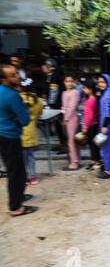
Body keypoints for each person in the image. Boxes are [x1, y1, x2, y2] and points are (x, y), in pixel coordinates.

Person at [0, 64, 38, 217]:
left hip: (4, 135)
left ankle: (19, 196)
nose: (17, 76)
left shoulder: (3, 91)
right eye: (12, 75)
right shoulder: (12, 95)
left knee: (17, 170)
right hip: (9, 136)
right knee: (16, 172)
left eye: (16, 73)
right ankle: (15, 207)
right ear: (4, 79)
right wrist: (22, 114)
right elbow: (25, 120)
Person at [19, 80, 44, 185]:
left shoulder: (18, 98)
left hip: (21, 131)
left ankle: (24, 177)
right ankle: (33, 177)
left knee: (22, 158)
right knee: (31, 156)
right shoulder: (38, 100)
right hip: (32, 130)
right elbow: (40, 113)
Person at [42, 58, 66, 152]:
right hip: (58, 103)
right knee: (57, 124)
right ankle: (61, 143)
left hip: (57, 104)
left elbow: (54, 91)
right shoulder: (52, 75)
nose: (45, 67)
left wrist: (51, 103)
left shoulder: (54, 75)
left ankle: (64, 144)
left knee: (59, 124)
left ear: (52, 67)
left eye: (47, 66)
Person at [61, 75, 81, 171]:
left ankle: (75, 161)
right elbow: (64, 107)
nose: (69, 83)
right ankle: (75, 159)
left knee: (72, 140)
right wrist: (64, 116)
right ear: (64, 82)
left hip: (72, 118)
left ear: (73, 82)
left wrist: (66, 118)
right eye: (67, 81)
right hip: (67, 117)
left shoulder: (75, 92)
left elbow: (72, 107)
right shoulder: (64, 93)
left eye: (70, 81)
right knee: (71, 139)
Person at [81, 78, 101, 170]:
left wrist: (85, 127)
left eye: (85, 88)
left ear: (91, 89)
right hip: (95, 124)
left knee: (92, 144)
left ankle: (95, 161)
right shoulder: (95, 99)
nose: (83, 90)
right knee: (94, 144)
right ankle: (96, 160)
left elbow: (89, 116)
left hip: (91, 125)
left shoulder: (90, 100)